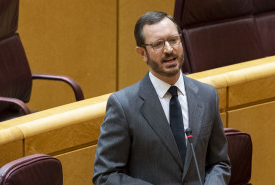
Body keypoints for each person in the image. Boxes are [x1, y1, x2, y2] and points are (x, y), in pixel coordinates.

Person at [93, 11, 231, 185]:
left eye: (173, 40)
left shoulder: (207, 95)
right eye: (158, 44)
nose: (169, 49)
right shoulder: (123, 106)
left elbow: (219, 162)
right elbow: (105, 175)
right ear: (142, 53)